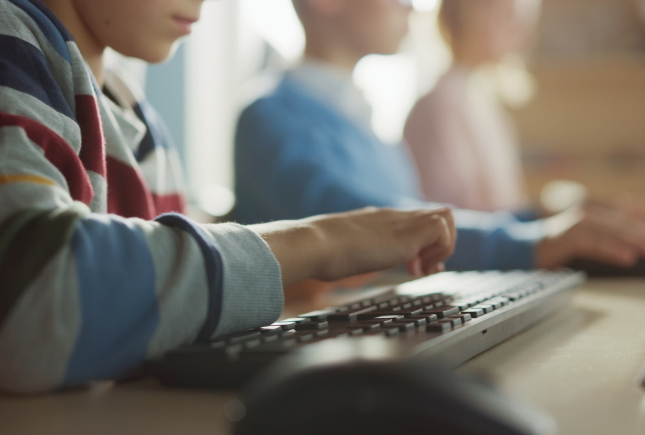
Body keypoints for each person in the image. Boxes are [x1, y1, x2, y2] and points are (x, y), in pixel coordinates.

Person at [0, 0, 456, 394]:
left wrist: (289, 280)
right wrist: (316, 241)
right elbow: (30, 301)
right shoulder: (11, 46)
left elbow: (153, 312)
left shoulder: (130, 111)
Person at [234, 0, 645, 274]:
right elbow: (372, 229)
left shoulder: (364, 119)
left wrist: (550, 220)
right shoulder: (271, 117)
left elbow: (425, 218)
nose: (414, 8)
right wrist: (537, 241)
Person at [405, 0, 535, 213]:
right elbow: (455, 217)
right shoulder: (441, 106)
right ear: (468, 17)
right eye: (506, 16)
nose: (520, 29)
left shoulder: (483, 99)